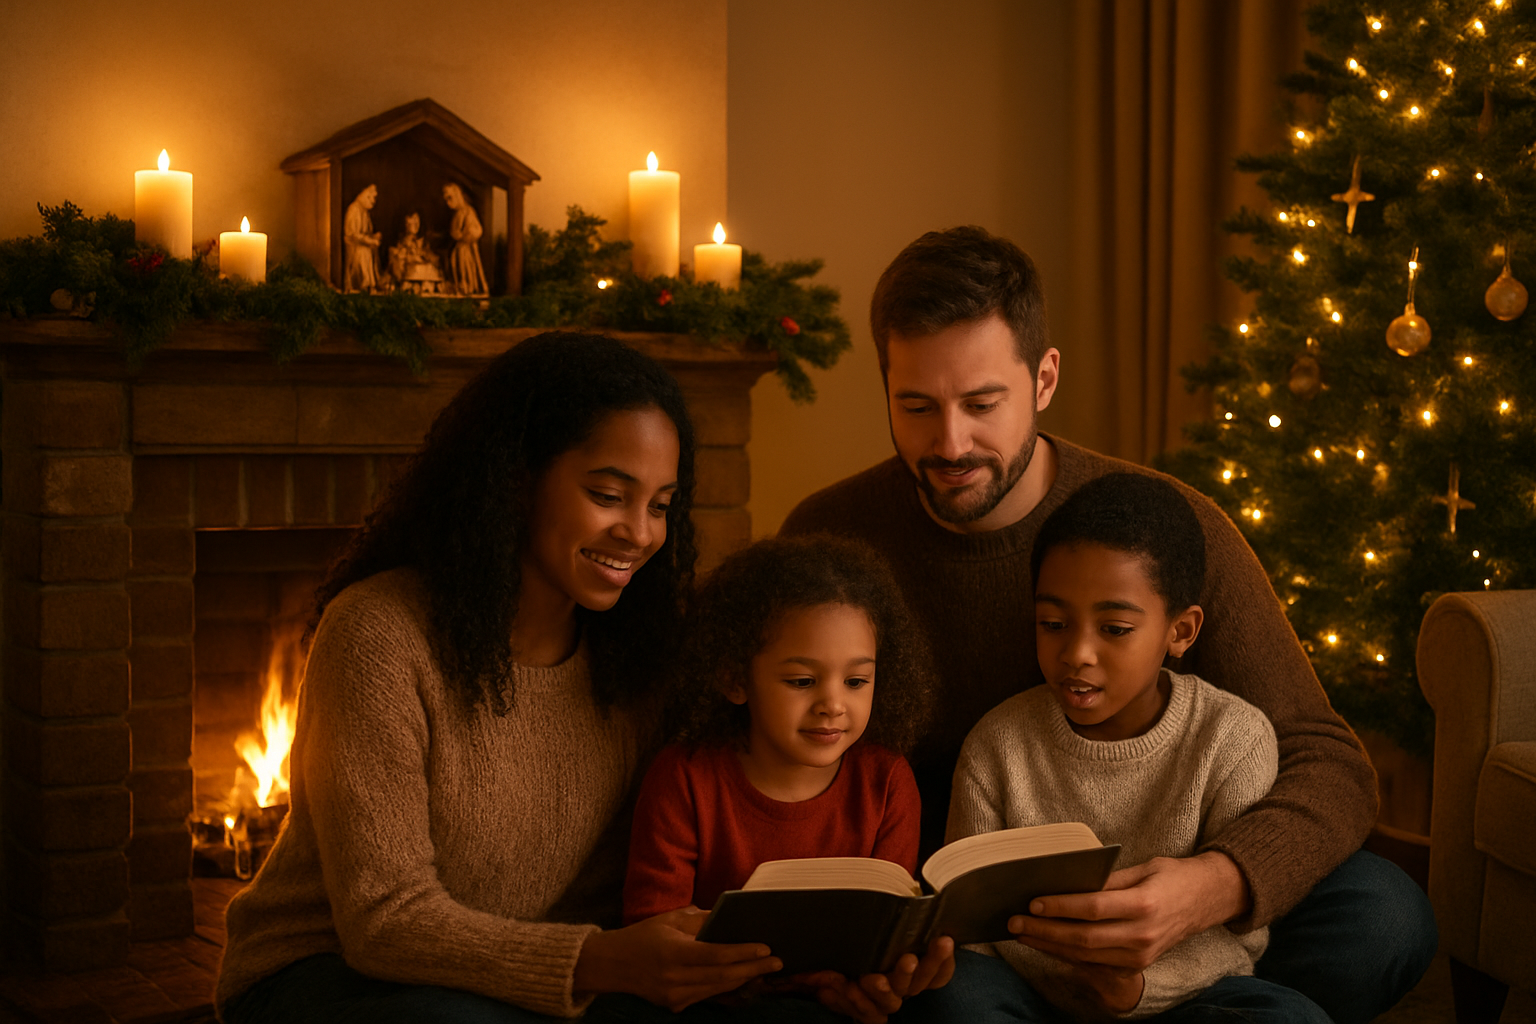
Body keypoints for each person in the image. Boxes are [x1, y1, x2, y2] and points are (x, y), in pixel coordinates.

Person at [779, 227, 1436, 1023]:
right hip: (976, 925)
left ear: (1044, 378)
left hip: (1171, 892)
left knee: (1385, 914)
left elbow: (1328, 760)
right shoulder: (830, 535)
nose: (949, 442)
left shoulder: (1164, 528)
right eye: (916, 405)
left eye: (983, 404)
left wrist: (1213, 885)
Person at [216, 332, 786, 1023]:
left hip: (549, 976)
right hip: (327, 970)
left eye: (661, 505)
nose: (639, 532)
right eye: (609, 494)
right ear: (516, 478)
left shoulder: (645, 653)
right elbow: (384, 920)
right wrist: (599, 962)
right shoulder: (378, 634)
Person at [938, 472, 1327, 1021]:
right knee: (956, 997)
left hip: (1182, 998)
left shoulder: (1232, 739)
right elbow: (970, 928)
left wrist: (1139, 988)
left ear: (1181, 632)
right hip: (1029, 997)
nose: (1077, 653)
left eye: (1115, 629)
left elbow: (1237, 938)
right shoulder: (997, 745)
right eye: (1052, 623)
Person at [624, 535, 935, 926]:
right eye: (802, 681)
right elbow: (651, 931)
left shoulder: (887, 782)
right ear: (735, 678)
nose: (833, 705)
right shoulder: (684, 779)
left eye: (856, 681)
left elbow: (887, 925)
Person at [444, 182, 489, 297]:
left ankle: (468, 288)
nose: (448, 202)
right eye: (446, 199)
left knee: (466, 270)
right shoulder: (457, 214)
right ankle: (460, 289)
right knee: (455, 266)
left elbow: (477, 230)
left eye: (450, 198)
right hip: (458, 249)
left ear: (457, 194)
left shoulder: (468, 211)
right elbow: (453, 232)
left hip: (466, 250)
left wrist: (465, 236)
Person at [343, 184, 381, 293]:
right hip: (354, 247)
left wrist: (374, 237)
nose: (373, 200)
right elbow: (352, 234)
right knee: (364, 252)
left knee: (372, 249)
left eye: (374, 198)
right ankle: (364, 283)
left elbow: (366, 232)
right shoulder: (353, 209)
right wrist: (368, 240)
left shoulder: (365, 213)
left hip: (363, 244)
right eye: (369, 196)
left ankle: (373, 283)